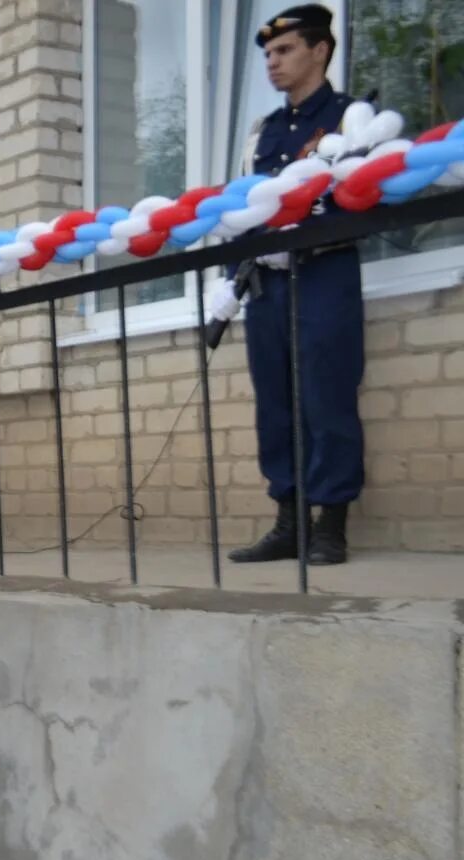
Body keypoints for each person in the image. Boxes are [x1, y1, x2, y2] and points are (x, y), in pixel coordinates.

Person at [218, 4, 364, 566]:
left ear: (320, 50)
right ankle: (289, 520)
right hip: (268, 283)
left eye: (284, 51)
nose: (272, 63)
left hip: (325, 272)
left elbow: (359, 196)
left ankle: (331, 524)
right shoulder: (265, 133)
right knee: (275, 405)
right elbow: (241, 212)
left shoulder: (352, 117)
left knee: (328, 395)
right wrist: (230, 282)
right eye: (267, 55)